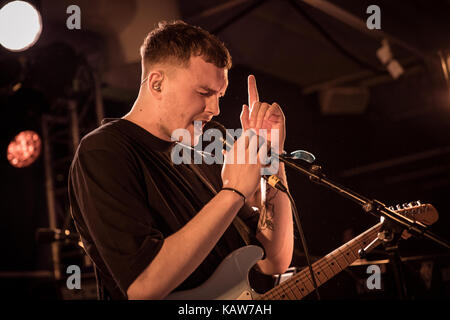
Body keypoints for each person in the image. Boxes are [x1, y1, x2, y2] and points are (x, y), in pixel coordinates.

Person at [68, 20, 294, 300]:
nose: (215, 109)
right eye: (204, 93)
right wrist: (233, 192)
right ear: (157, 83)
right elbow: (144, 286)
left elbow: (273, 262)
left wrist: (273, 156)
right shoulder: (105, 151)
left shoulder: (210, 149)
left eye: (219, 96)